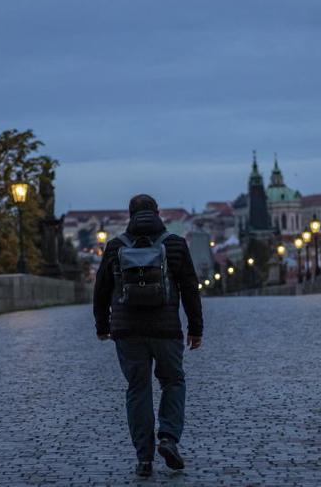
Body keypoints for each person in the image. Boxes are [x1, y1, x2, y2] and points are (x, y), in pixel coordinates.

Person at [93, 194, 203, 477]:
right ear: (157, 213)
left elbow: (101, 290)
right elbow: (190, 288)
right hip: (166, 330)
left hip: (127, 332)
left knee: (138, 388)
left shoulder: (115, 246)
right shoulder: (175, 244)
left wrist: (102, 326)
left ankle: (144, 458)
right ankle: (168, 437)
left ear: (130, 215)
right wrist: (195, 328)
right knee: (173, 381)